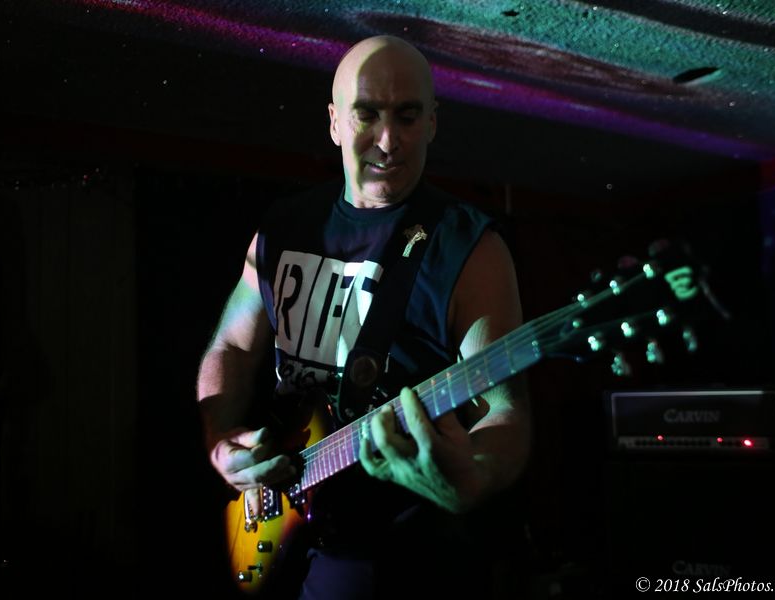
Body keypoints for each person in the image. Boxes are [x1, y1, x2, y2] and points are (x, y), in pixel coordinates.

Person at [197, 35, 531, 599]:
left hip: (392, 550)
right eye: (367, 114)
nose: (388, 139)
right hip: (282, 514)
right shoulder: (284, 227)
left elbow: (505, 407)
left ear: (432, 122)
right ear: (334, 122)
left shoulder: (469, 249)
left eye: (407, 116)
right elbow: (230, 346)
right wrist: (221, 440)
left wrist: (472, 477)